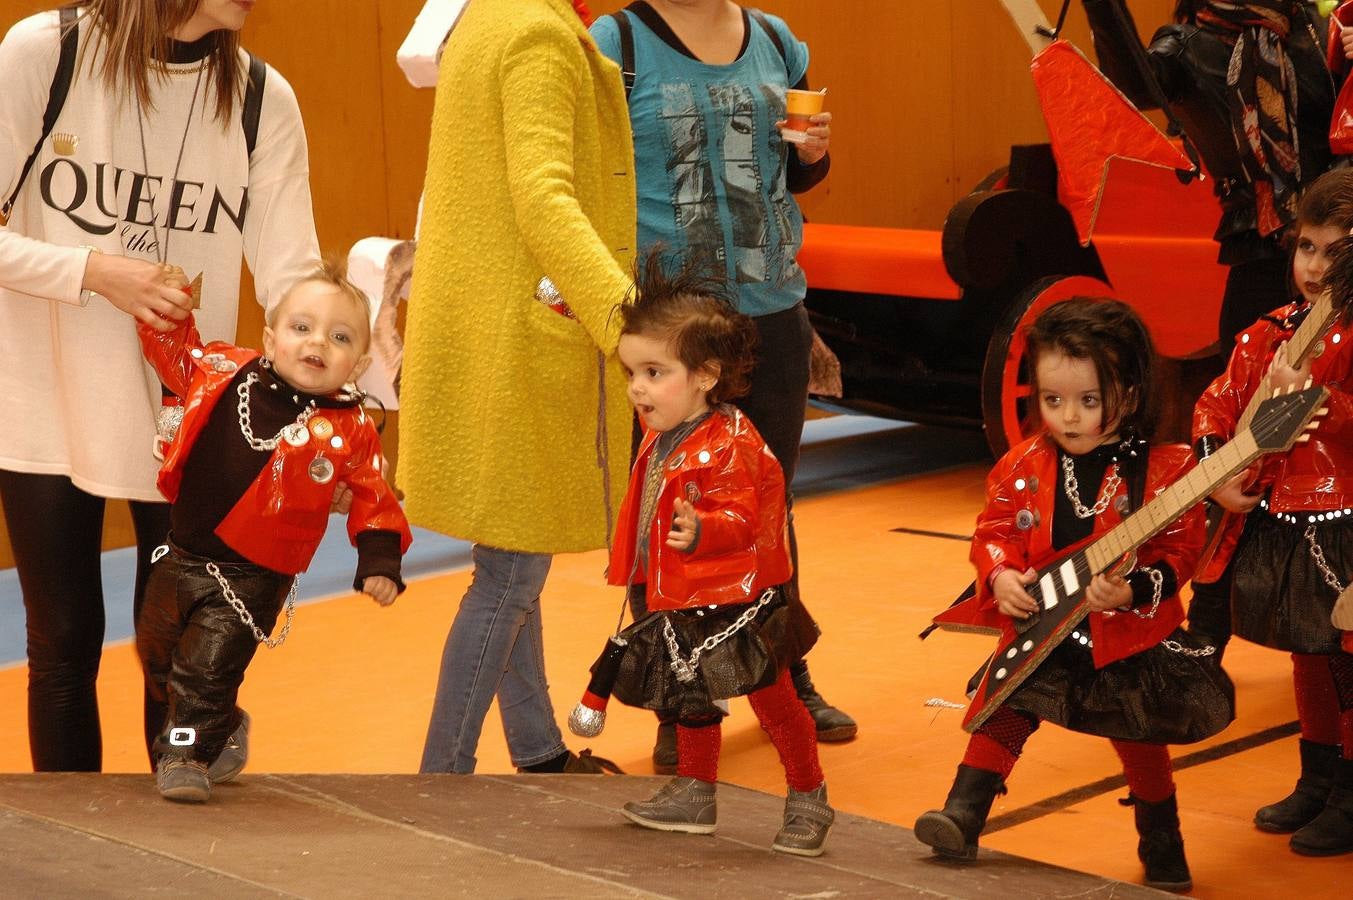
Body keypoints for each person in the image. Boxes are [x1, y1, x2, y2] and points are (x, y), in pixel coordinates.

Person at [0, 0, 318, 772]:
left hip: (188, 428)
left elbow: (294, 283)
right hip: (42, 403)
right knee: (63, 646)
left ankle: (175, 844)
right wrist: (94, 273)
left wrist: (340, 388)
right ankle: (80, 854)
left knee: (176, 649)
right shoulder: (47, 49)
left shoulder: (258, 95)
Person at [590, 0, 855, 774]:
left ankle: (784, 675)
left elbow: (800, 176)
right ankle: (685, 698)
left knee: (765, 504)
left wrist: (812, 151)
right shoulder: (618, 42)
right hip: (672, 330)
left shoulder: (774, 39)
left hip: (772, 313)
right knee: (664, 511)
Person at [914, 299, 1234, 893]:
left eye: (1089, 401)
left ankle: (1161, 838)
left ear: (1131, 395)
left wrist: (1133, 587)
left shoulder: (1165, 473)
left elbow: (1180, 553)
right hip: (1045, 624)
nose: (1067, 416)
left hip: (1124, 636)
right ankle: (961, 815)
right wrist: (1001, 574)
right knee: (1004, 706)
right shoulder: (1023, 463)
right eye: (1052, 400)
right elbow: (994, 530)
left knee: (1139, 739)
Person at [399, 0, 634, 775]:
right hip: (523, 339)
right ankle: (442, 781)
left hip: (490, 327)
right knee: (509, 577)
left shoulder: (487, 19)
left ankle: (535, 751)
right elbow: (544, 195)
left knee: (511, 557)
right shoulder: (536, 33)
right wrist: (622, 318)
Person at [1081, 0, 1337, 664]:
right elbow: (1133, 86)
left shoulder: (1312, 29)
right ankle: (1209, 624)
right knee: (1239, 443)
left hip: (1336, 249)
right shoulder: (1186, 41)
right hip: (1261, 254)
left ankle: (1326, 622)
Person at [134, 261, 410, 802]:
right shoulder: (223, 372)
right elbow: (174, 355)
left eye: (339, 337)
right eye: (301, 328)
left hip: (255, 576)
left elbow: (374, 497)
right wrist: (166, 312)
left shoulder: (350, 429)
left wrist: (379, 560)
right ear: (269, 337)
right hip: (182, 552)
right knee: (156, 653)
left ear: (361, 361)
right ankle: (222, 721)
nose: (317, 344)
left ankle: (187, 754)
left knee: (204, 670)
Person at [603, 253, 831, 855]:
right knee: (691, 700)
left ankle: (809, 797)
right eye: (632, 373)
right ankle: (694, 794)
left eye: (654, 372)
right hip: (682, 597)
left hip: (743, 601)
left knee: (775, 702)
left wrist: (703, 530)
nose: (637, 388)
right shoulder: (663, 433)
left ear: (704, 375)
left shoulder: (731, 442)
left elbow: (747, 517)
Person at [1192, 168, 1353, 856]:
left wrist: (1312, 393)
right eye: (1306, 248)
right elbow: (1216, 404)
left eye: (1334, 253)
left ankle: (1349, 793)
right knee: (1306, 655)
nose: (1314, 268)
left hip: (1341, 518)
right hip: (1278, 515)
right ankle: (1315, 779)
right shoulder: (1267, 333)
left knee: (1346, 662)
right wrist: (1215, 473)